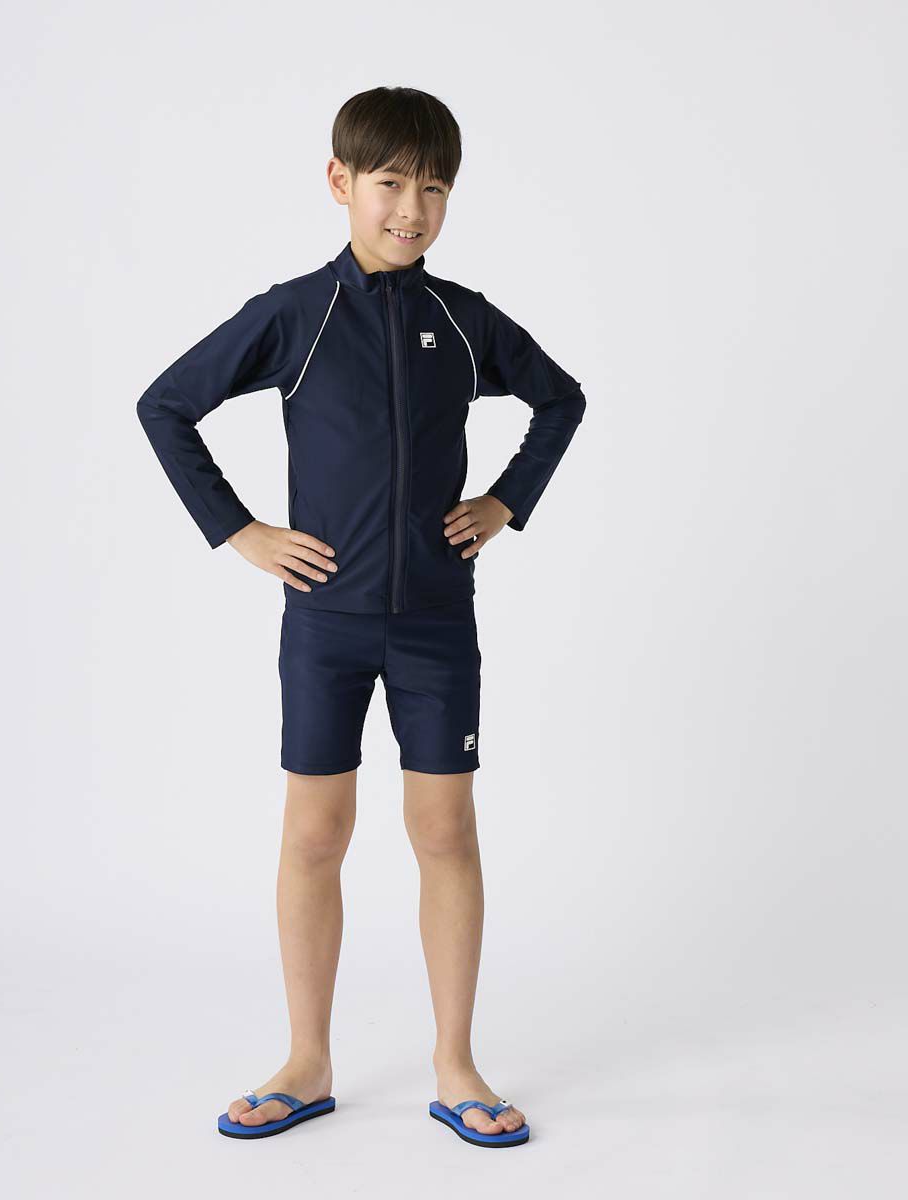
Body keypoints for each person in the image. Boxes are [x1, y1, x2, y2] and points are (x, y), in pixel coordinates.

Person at [136, 85, 587, 1148]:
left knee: (446, 832)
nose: (411, 209)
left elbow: (561, 397)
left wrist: (505, 502)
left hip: (435, 620)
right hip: (325, 623)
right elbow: (166, 404)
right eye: (389, 183)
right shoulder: (297, 314)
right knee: (313, 834)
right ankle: (307, 1059)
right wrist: (240, 531)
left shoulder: (462, 319)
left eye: (434, 188)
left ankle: (455, 1063)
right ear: (340, 182)